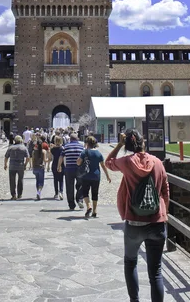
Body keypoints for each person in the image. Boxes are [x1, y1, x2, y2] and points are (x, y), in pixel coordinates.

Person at [105, 129, 169, 302]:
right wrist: (164, 212)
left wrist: (119, 144)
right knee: (155, 271)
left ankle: (135, 300)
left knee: (130, 262)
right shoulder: (157, 162)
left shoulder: (126, 162)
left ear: (128, 145)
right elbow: (165, 189)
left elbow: (108, 162)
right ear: (143, 142)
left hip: (134, 223)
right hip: (156, 222)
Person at [76, 135, 111, 218]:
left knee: (85, 192)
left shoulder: (84, 152)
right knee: (95, 193)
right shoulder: (98, 153)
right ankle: (94, 211)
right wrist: (107, 176)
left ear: (87, 143)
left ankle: (89, 206)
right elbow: (103, 165)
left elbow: (78, 162)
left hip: (86, 176)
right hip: (96, 176)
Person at [57, 132, 84, 210]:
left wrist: (59, 166)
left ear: (70, 139)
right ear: (77, 139)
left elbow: (61, 157)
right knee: (81, 185)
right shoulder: (81, 146)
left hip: (69, 169)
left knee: (69, 187)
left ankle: (71, 205)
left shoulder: (66, 146)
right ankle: (79, 199)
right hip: (79, 169)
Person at [4, 135, 29, 199]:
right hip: (20, 165)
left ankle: (13, 195)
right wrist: (25, 164)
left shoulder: (11, 147)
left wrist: (5, 164)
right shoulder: (24, 147)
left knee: (12, 180)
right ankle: (19, 194)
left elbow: (6, 156)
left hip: (12, 165)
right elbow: (28, 157)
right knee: (20, 180)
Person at [50, 135, 64, 200]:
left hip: (54, 164)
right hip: (61, 164)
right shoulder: (62, 149)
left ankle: (56, 193)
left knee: (55, 179)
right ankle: (61, 192)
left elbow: (50, 156)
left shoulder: (52, 149)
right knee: (61, 179)